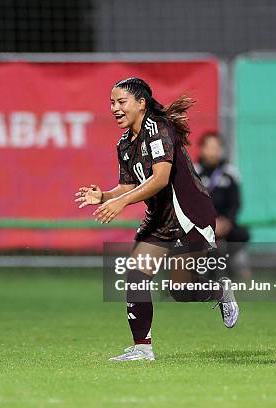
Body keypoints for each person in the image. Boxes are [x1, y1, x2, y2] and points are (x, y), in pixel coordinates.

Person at [75, 77, 238, 362]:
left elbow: (160, 179)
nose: (115, 108)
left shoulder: (159, 129)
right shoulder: (124, 144)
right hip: (160, 219)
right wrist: (104, 196)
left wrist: (120, 202)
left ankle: (219, 290)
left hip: (189, 215)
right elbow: (128, 185)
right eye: (112, 103)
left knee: (181, 290)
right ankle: (142, 348)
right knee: (136, 275)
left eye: (121, 102)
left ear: (141, 103)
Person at [195, 133, 251, 280]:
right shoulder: (192, 172)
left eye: (217, 148)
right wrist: (208, 223)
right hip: (201, 225)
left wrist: (226, 221)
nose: (213, 152)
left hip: (225, 224)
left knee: (242, 234)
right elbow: (189, 204)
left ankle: (233, 265)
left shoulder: (230, 173)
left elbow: (235, 203)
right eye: (210, 147)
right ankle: (196, 271)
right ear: (202, 149)